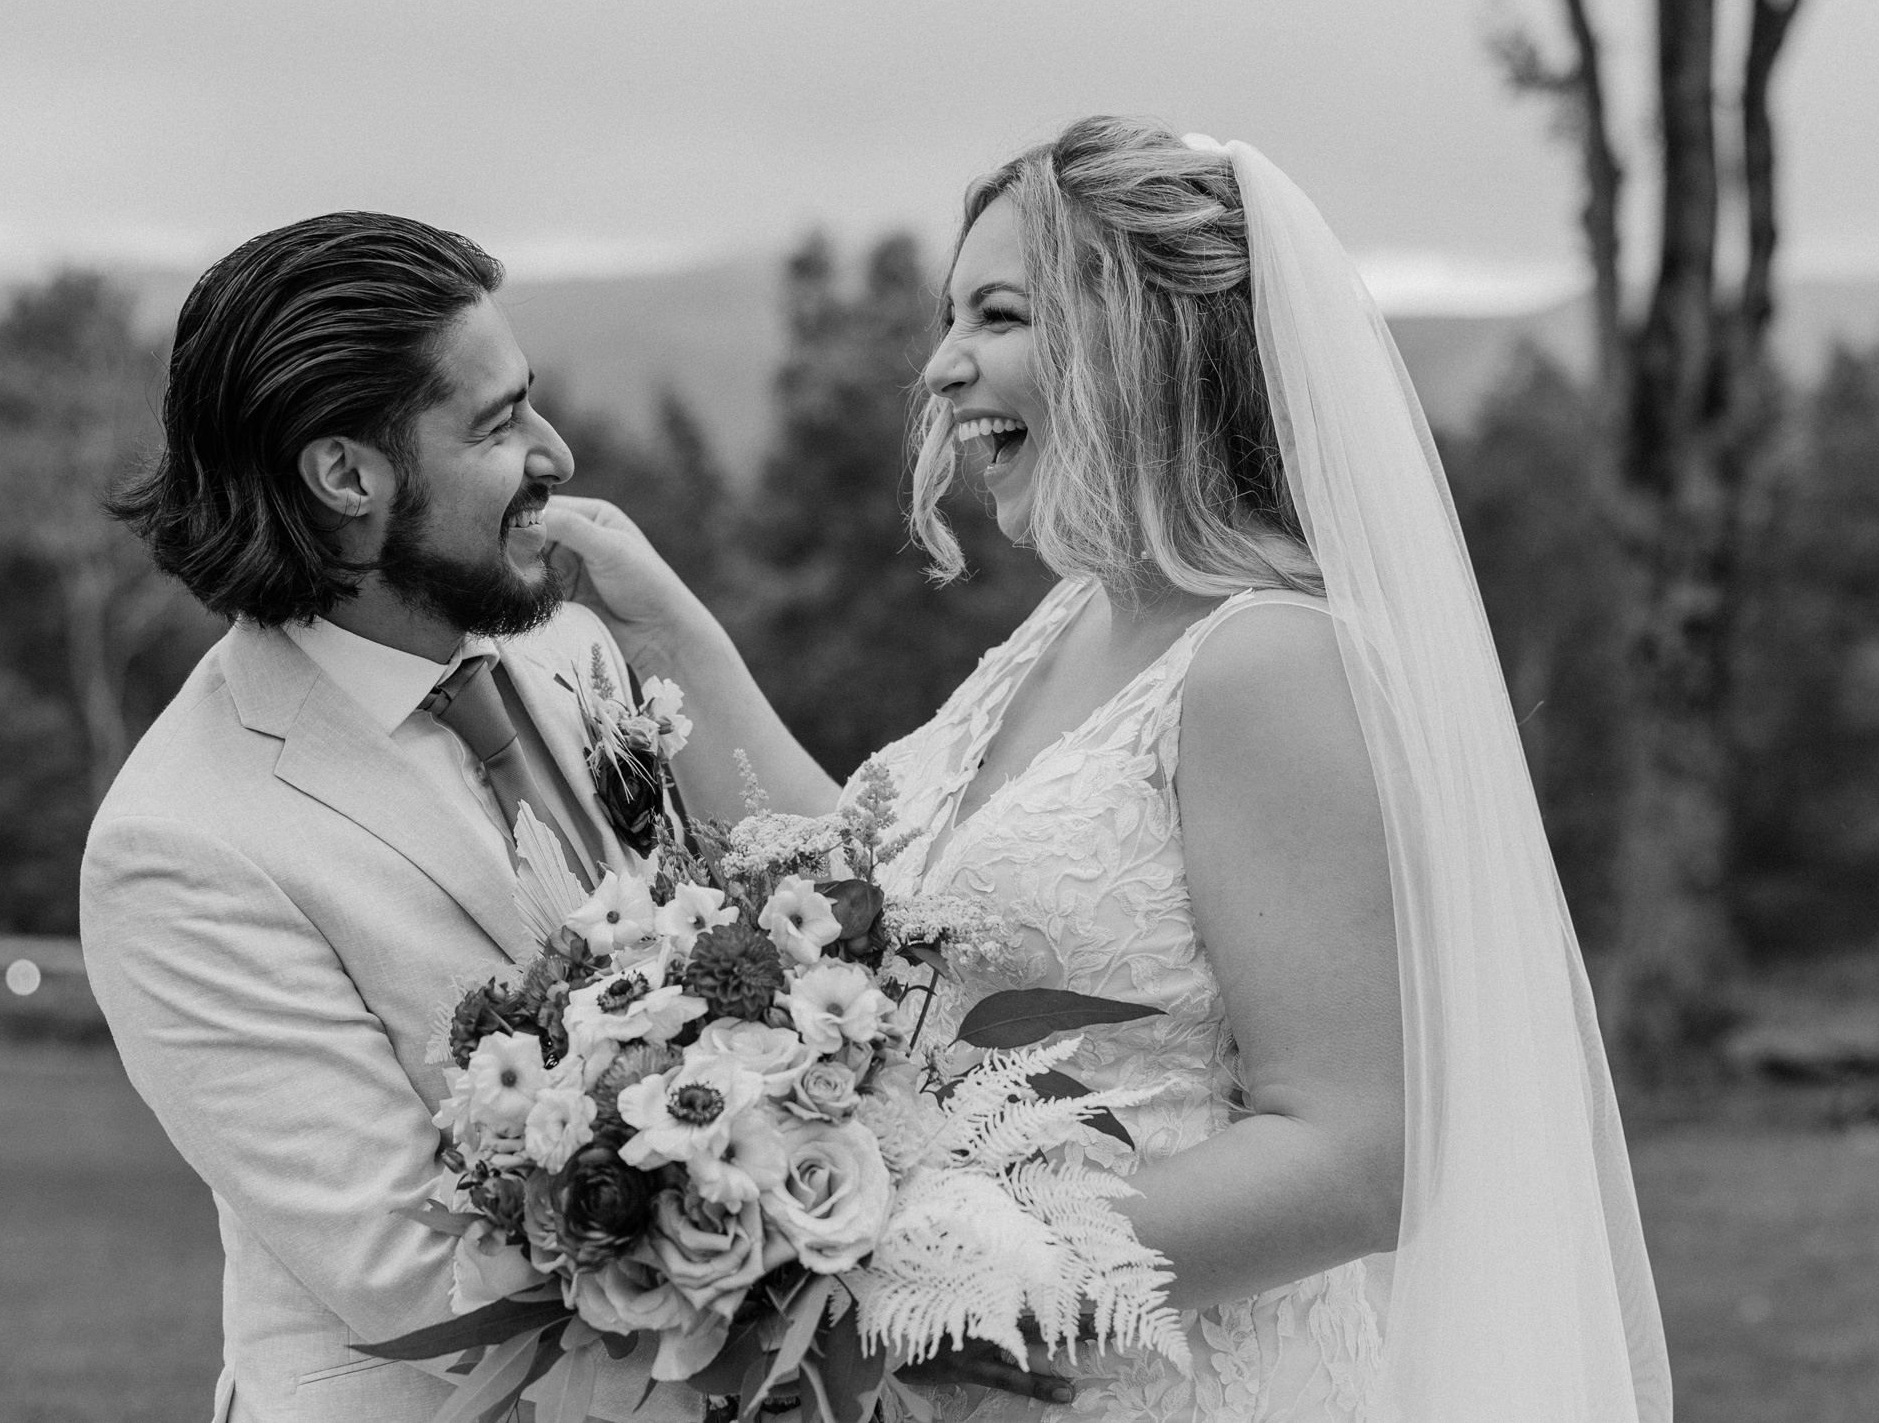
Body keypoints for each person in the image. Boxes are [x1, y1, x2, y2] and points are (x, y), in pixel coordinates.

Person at [544, 117, 1673, 1421]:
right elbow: (860, 905)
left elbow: (1359, 1154)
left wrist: (917, 1261)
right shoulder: (1072, 621)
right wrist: (664, 632)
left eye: (998, 314)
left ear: (1138, 341)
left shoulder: (1268, 664)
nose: (944, 366)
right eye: (950, 316)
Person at [82, 212, 689, 1423]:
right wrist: (778, 1228)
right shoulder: (181, 844)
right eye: (498, 422)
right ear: (348, 474)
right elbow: (420, 1282)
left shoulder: (574, 649)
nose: (557, 452)